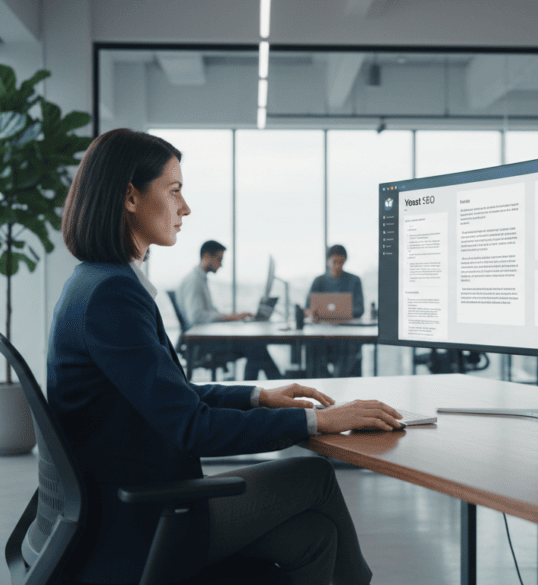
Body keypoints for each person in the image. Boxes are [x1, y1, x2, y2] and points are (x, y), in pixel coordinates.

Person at [48, 128, 402, 585]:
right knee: (314, 476)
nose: (185, 207)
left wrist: (259, 396)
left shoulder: (96, 281)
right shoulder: (113, 294)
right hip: (142, 520)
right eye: (174, 191)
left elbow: (173, 398)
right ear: (130, 197)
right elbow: (192, 427)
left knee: (313, 535)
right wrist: (319, 422)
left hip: (129, 501)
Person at [177, 239, 282, 380]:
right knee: (255, 347)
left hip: (206, 338)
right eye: (219, 259)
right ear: (207, 256)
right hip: (203, 344)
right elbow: (197, 317)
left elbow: (208, 313)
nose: (221, 265)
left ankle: (256, 390)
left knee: (256, 347)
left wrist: (234, 317)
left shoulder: (200, 279)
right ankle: (272, 384)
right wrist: (234, 317)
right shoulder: (194, 281)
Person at [305, 245, 365, 377]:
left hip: (346, 335)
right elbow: (307, 308)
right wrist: (313, 313)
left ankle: (338, 383)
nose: (337, 266)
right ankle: (322, 383)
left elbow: (360, 309)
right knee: (312, 348)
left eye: (341, 262)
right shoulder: (318, 281)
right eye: (334, 262)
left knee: (350, 348)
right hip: (322, 334)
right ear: (327, 261)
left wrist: (341, 315)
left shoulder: (354, 280)